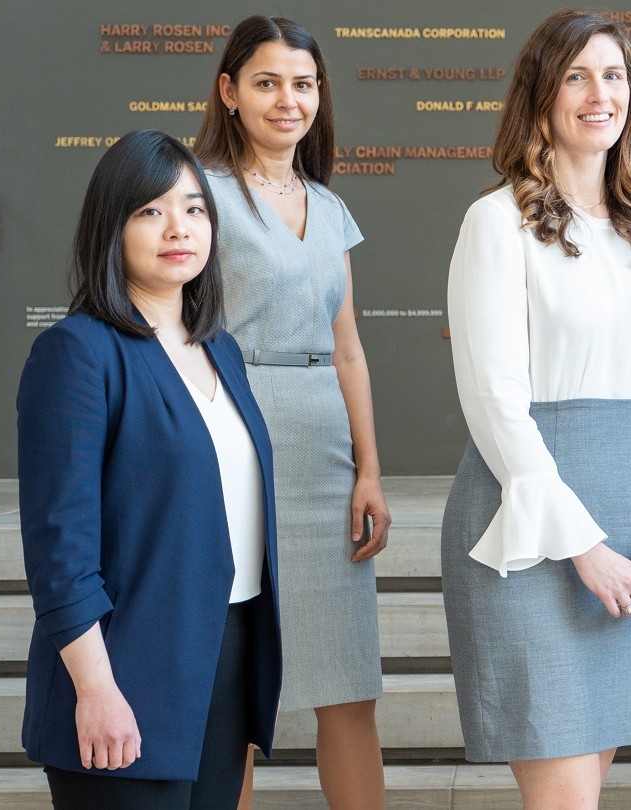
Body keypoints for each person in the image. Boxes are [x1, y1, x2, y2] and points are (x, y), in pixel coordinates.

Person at [442, 9, 631, 807]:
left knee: (583, 787)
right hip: (525, 528)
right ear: (542, 95)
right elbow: (493, 402)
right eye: (577, 76)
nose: (601, 94)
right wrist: (584, 546)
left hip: (626, 522)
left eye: (615, 75)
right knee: (564, 797)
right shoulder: (496, 222)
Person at [16, 128, 282, 809]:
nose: (178, 228)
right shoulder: (77, 353)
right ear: (114, 224)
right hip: (123, 666)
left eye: (194, 208)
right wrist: (96, 687)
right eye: (151, 211)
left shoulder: (220, 350)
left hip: (220, 656)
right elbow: (60, 551)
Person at [193, 16, 389, 807]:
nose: (288, 100)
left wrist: (370, 468)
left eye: (303, 84)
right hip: (234, 440)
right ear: (229, 91)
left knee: (348, 684)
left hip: (324, 450)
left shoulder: (327, 206)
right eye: (267, 82)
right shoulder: (198, 193)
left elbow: (348, 350)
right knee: (238, 689)